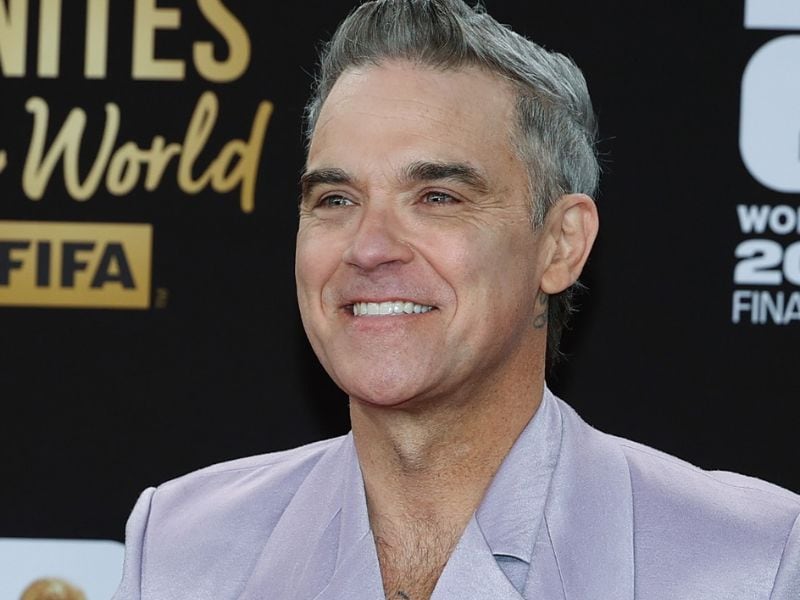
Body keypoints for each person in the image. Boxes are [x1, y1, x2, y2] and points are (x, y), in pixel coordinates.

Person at [113, 1, 800, 598]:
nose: (369, 247)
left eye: (437, 197)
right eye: (336, 199)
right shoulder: (181, 546)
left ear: (560, 245)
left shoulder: (751, 562)